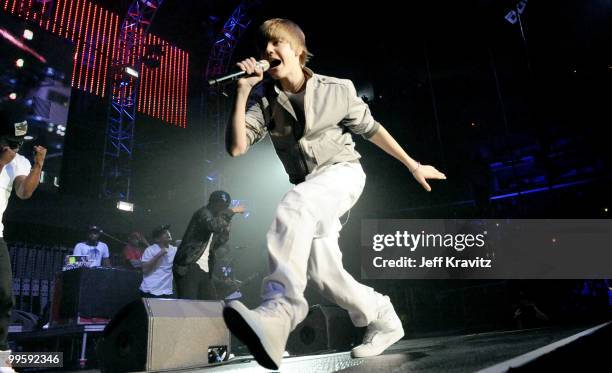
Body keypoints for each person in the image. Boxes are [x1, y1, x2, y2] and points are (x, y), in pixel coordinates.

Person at [223, 18, 446, 369]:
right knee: (325, 277)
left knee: (294, 205)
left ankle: (278, 314)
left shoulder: (336, 89)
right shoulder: (266, 102)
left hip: (343, 174)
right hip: (310, 189)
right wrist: (242, 92)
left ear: (298, 49)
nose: (267, 51)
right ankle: (383, 316)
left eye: (276, 44)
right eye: (263, 47)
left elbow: (372, 129)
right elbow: (236, 147)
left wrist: (412, 164)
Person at [0, 108, 46, 371]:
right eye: (11, 142)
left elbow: (24, 192)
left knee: (4, 295)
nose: (15, 148)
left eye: (19, 144)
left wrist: (38, 164)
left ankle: (1, 357)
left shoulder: (18, 161)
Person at [173, 191, 245, 300]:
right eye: (220, 205)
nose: (222, 209)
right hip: (189, 264)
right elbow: (213, 226)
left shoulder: (218, 219)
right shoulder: (203, 213)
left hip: (205, 267)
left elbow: (220, 241)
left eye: (225, 206)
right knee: (189, 303)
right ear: (212, 203)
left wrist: (227, 228)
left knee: (210, 304)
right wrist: (231, 211)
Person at [140, 225, 176, 298]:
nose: (167, 233)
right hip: (150, 290)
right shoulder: (150, 250)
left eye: (167, 231)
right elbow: (145, 270)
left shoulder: (174, 250)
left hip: (166, 291)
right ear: (157, 239)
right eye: (163, 233)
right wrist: (158, 255)